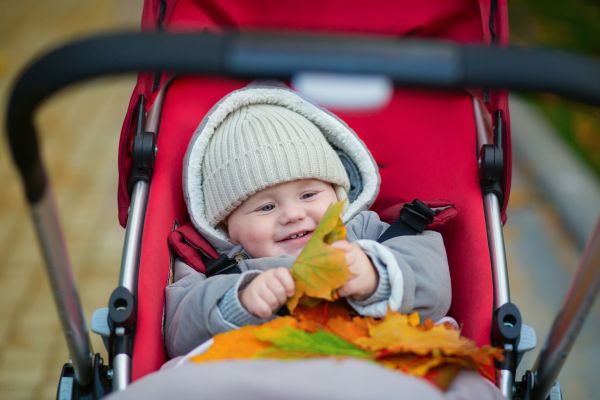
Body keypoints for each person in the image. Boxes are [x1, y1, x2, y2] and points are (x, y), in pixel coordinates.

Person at [165, 85, 451, 358]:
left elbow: (432, 281)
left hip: (375, 361)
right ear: (227, 227)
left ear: (338, 193)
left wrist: (376, 276)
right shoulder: (220, 267)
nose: (293, 214)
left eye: (309, 194)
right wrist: (237, 303)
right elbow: (179, 331)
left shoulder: (365, 232)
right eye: (266, 207)